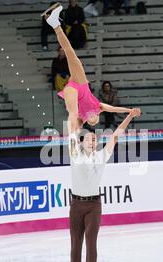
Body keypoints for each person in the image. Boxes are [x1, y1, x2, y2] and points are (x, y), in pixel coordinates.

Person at [42, 3, 139, 156]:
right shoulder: (98, 106)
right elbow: (114, 109)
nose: (94, 122)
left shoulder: (82, 119)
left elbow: (77, 123)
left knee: (73, 114)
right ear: (98, 116)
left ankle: (71, 140)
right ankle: (55, 24)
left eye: (92, 123)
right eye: (96, 121)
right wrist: (130, 111)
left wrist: (75, 136)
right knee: (70, 53)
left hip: (72, 91)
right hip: (80, 83)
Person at [68, 108, 141, 262]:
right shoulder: (74, 153)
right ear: (82, 142)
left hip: (93, 206)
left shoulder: (102, 155)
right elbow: (72, 129)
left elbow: (116, 135)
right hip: (76, 205)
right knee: (76, 244)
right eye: (89, 139)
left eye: (94, 139)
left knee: (91, 243)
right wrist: (80, 116)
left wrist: (129, 116)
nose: (92, 141)